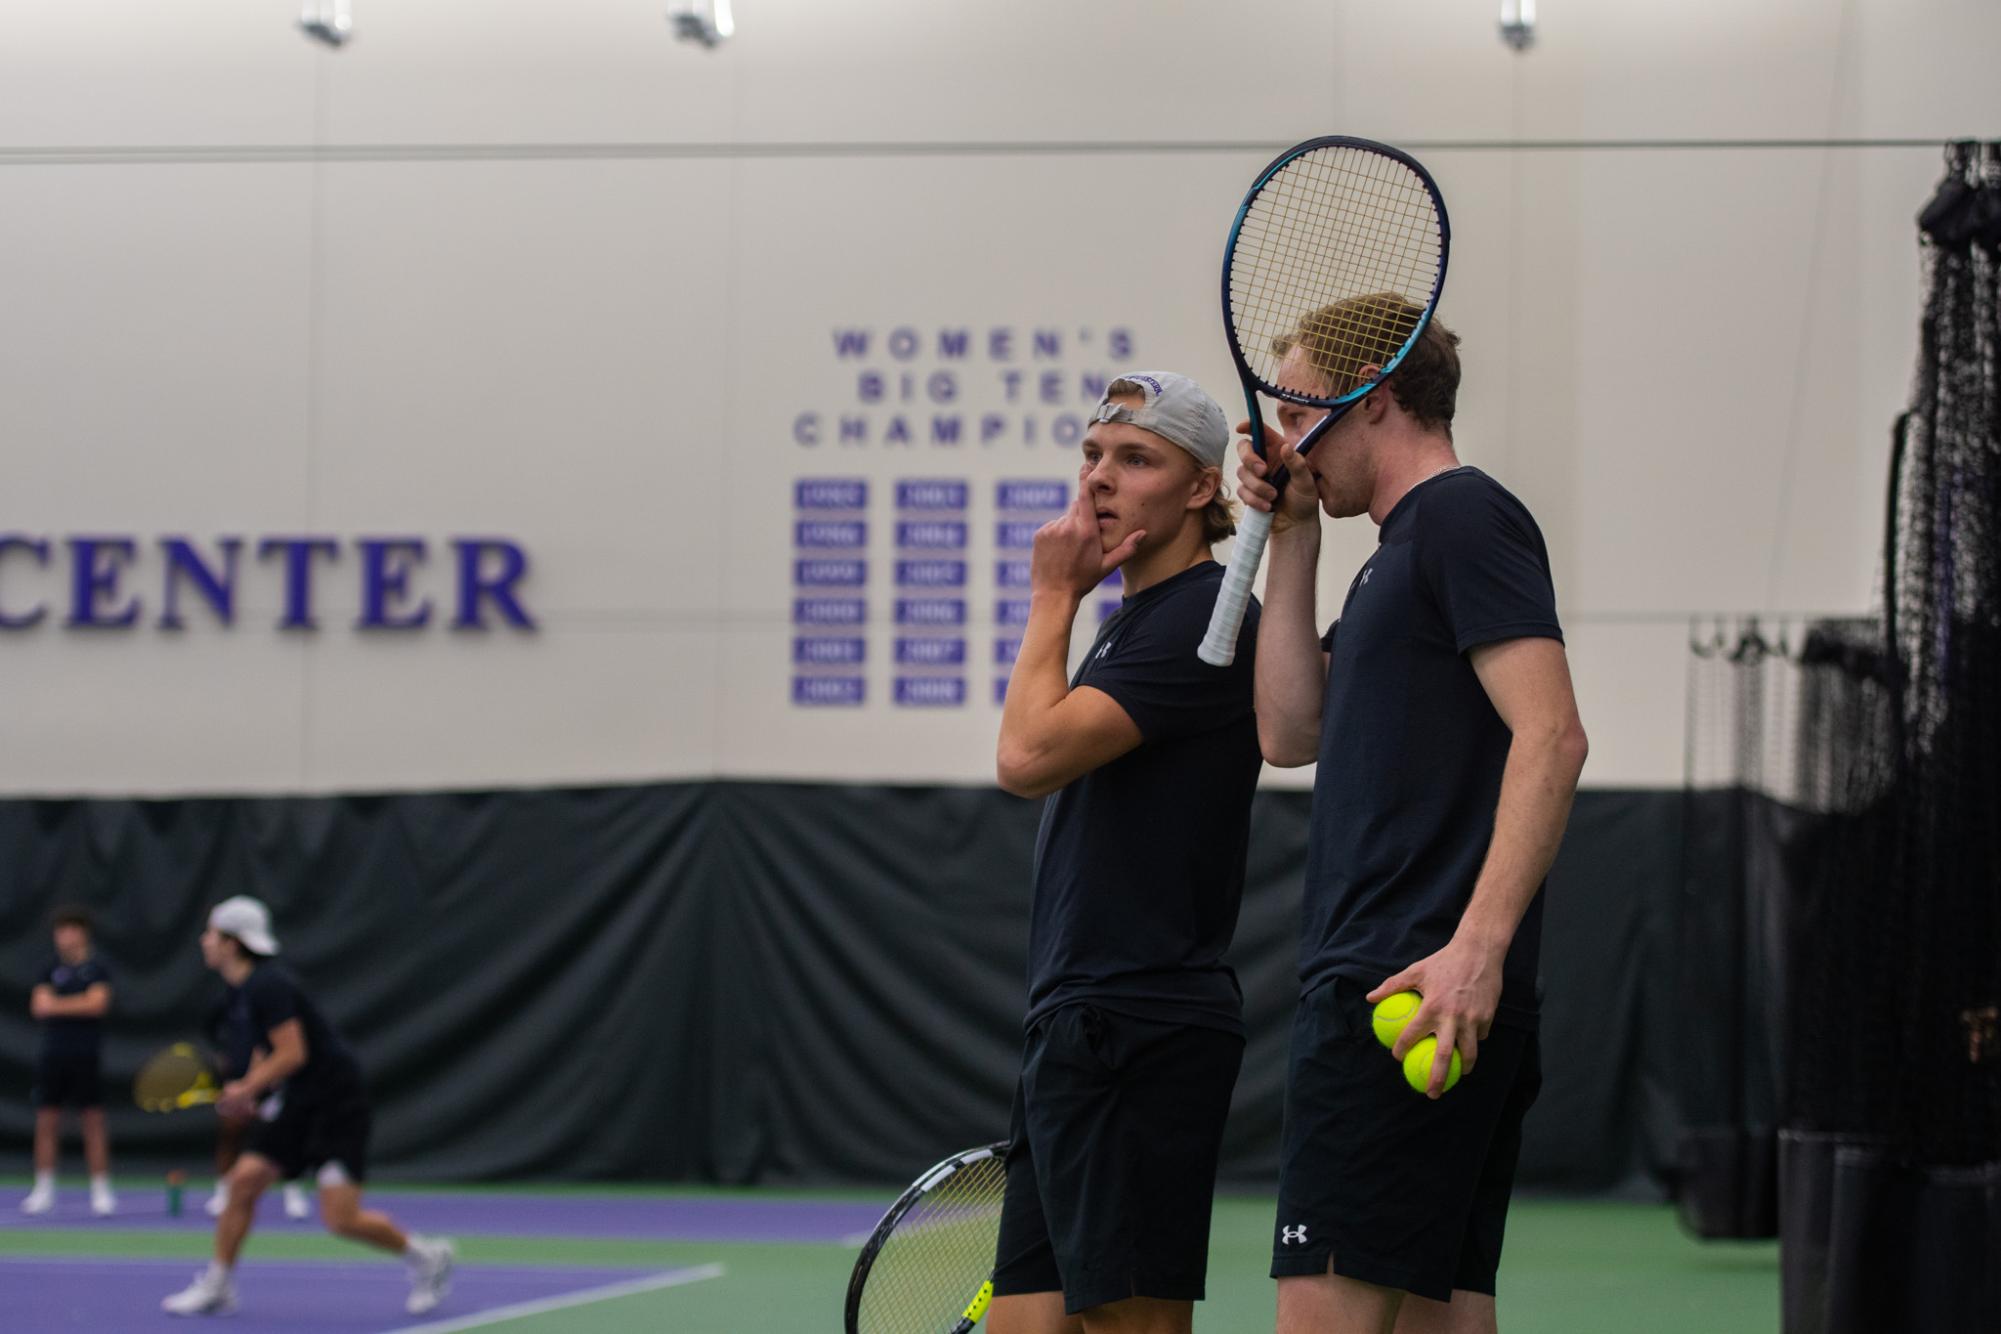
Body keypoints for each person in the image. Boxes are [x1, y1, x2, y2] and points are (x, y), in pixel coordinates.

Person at [1236, 296, 1588, 1334]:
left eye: (1300, 413)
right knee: (1444, 1316)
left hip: (1406, 981)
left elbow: (1554, 734)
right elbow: (1288, 730)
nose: (1285, 441)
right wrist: (1292, 535)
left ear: (1375, 398)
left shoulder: (1461, 517)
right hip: (1416, 988)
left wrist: (1474, 948)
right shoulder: (1396, 553)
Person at [990, 371, 1262, 1334]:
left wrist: (1051, 595)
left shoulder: (1203, 620)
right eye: (1092, 456)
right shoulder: (1136, 624)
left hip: (1139, 1023)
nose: (1099, 480)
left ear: (1201, 490)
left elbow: (1024, 757)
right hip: (1074, 1021)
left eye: (1136, 459)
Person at [161, 896, 454, 1318]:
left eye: (211, 933)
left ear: (231, 943)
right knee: (243, 1183)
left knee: (340, 1218)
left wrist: (245, 1089)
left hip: (338, 1102)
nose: (203, 941)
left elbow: (292, 1052)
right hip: (299, 1101)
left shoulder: (268, 985)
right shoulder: (241, 991)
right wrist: (254, 1093)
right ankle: (219, 1285)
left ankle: (427, 1257)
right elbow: (267, 1051)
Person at [21, 907, 116, 1217]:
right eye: (61, 930)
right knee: (47, 1120)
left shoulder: (97, 969)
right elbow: (39, 1006)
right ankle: (44, 1188)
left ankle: (100, 1190)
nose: (65, 936)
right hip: (53, 1055)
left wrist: (58, 1005)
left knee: (93, 1121)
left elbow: (97, 1004)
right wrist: (77, 1003)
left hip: (86, 1056)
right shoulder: (48, 969)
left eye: (71, 929)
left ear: (83, 933)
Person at [201, 987, 312, 1221]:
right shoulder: (229, 998)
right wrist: (223, 1058)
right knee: (229, 1133)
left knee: (286, 1138)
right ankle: (223, 1192)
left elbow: (290, 1043)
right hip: (236, 1079)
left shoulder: (278, 1000)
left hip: (273, 1081)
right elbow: (208, 1028)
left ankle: (293, 1192)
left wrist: (269, 1074)